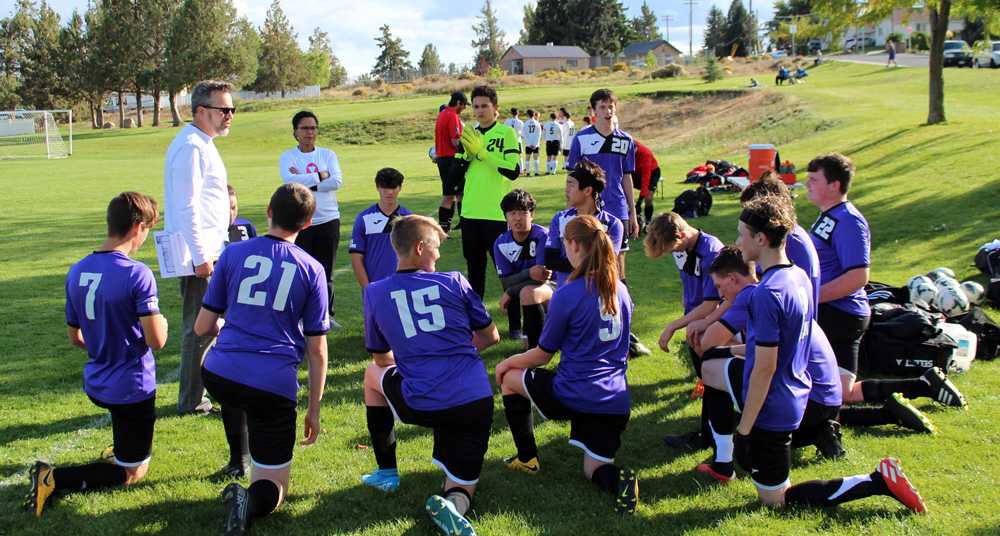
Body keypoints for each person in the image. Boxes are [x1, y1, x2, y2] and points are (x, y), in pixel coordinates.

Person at [718, 195, 927, 513]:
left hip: (772, 408)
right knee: (776, 487)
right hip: (795, 394)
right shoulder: (797, 276)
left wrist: (744, 429)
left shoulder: (766, 294)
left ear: (761, 239)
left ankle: (877, 481)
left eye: (741, 233)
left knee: (776, 502)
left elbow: (764, 369)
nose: (737, 241)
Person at [194, 183, 330, 535]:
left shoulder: (233, 254)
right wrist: (313, 408)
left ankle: (238, 456)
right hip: (271, 383)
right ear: (309, 222)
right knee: (274, 490)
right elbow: (316, 351)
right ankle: (248, 499)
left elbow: (202, 327)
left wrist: (231, 324)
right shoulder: (312, 269)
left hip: (220, 374)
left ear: (269, 212)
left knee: (240, 393)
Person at [26, 192, 167, 518]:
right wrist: (164, 326)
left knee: (130, 441)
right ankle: (53, 478)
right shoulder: (137, 273)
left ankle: (122, 449)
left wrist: (106, 341)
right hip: (131, 388)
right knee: (133, 474)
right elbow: (156, 341)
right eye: (148, 228)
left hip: (97, 381)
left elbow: (75, 336)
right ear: (137, 228)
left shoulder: (78, 270)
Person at [360, 215, 500, 536]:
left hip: (422, 401)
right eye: (435, 247)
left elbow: (380, 357)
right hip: (473, 400)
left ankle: (386, 472)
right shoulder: (454, 281)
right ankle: (454, 504)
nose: (438, 255)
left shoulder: (376, 292)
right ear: (420, 247)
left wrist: (419, 357)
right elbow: (490, 336)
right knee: (462, 485)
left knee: (371, 375)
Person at [805, 155, 964, 429]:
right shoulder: (828, 216)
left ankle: (884, 414)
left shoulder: (848, 221)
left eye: (814, 179)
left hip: (839, 314)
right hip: (838, 313)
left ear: (834, 184)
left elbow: (857, 277)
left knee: (815, 395)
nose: (806, 183)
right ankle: (923, 384)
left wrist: (810, 298)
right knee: (842, 393)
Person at [496, 215, 639, 515]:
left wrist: (505, 363)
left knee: (510, 378)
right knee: (595, 470)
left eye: (564, 244)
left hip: (574, 393)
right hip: (614, 400)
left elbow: (542, 355)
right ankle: (621, 482)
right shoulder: (621, 290)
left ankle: (527, 459)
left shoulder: (569, 293)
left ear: (573, 244)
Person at [163, 79, 233, 416]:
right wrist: (201, 256)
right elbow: (186, 206)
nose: (229, 115)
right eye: (224, 109)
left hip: (207, 250)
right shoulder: (191, 146)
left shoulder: (203, 143)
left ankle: (201, 393)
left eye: (232, 109)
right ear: (201, 111)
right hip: (197, 255)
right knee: (199, 326)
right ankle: (191, 400)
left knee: (209, 325)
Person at [644, 211, 724, 449]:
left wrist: (672, 326)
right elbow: (687, 282)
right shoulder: (682, 248)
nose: (671, 253)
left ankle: (709, 438)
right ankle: (710, 433)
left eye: (670, 249)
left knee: (714, 383)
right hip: (695, 323)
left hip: (712, 324)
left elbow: (712, 303)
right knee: (706, 379)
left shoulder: (711, 253)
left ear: (681, 234)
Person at [279, 110, 344, 328]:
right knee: (300, 272)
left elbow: (336, 181)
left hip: (328, 220)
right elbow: (290, 182)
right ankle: (300, 316)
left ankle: (327, 316)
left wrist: (305, 181)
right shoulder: (288, 157)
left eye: (313, 128)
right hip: (300, 222)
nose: (310, 132)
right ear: (295, 132)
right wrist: (320, 176)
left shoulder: (328, 155)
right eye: (305, 128)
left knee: (326, 272)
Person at [456, 85, 521, 299]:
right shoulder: (469, 135)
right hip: (470, 212)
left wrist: (482, 153)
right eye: (476, 106)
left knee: (507, 271)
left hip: (496, 213)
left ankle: (515, 327)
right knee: (474, 269)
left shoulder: (507, 132)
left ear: (495, 108)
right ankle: (478, 320)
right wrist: (465, 156)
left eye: (485, 106)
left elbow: (513, 171)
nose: (480, 110)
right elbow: (454, 176)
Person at [544, 160, 623, 288]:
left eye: (571, 185)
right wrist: (588, 264)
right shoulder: (560, 219)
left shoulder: (612, 224)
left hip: (598, 292)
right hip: (566, 290)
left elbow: (606, 263)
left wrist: (572, 263)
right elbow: (550, 260)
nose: (566, 190)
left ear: (587, 190)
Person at [493, 189, 552, 347]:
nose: (517, 218)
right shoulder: (501, 243)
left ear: (532, 215)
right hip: (529, 291)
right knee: (527, 291)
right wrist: (528, 273)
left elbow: (541, 276)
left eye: (523, 212)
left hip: (556, 287)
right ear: (505, 216)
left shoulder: (542, 236)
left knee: (528, 292)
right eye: (512, 213)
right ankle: (534, 341)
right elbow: (505, 282)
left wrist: (511, 291)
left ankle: (537, 345)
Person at [350, 167, 412, 288]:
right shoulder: (363, 218)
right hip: (375, 286)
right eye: (385, 187)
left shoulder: (409, 219)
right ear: (377, 187)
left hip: (403, 288)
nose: (389, 192)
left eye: (393, 187)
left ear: (400, 188)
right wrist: (368, 289)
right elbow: (356, 258)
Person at [434, 92, 468, 232]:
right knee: (451, 196)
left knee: (457, 194)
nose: (464, 108)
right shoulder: (453, 116)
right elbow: (455, 141)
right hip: (451, 160)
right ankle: (444, 228)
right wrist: (469, 144)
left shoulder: (442, 114)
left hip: (442, 159)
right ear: (459, 103)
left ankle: (460, 223)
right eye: (464, 105)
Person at [632, 140, 660, 232]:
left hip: (652, 173)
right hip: (636, 172)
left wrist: (639, 201)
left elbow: (646, 179)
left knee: (648, 197)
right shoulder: (626, 151)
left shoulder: (645, 154)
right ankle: (632, 217)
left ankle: (648, 221)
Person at [504, 107, 525, 173]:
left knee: (509, 155)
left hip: (509, 141)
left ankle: (510, 169)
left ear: (511, 113)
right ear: (518, 113)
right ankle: (521, 170)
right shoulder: (520, 122)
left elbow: (504, 131)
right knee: (520, 156)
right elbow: (523, 133)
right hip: (517, 140)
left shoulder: (507, 121)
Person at [522, 109, 542, 176]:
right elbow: (539, 134)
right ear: (533, 115)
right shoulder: (537, 123)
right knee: (536, 159)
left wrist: (528, 143)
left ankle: (528, 173)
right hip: (536, 144)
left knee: (527, 159)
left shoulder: (526, 123)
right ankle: (536, 172)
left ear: (528, 115)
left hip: (528, 144)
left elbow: (523, 134)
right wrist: (535, 144)